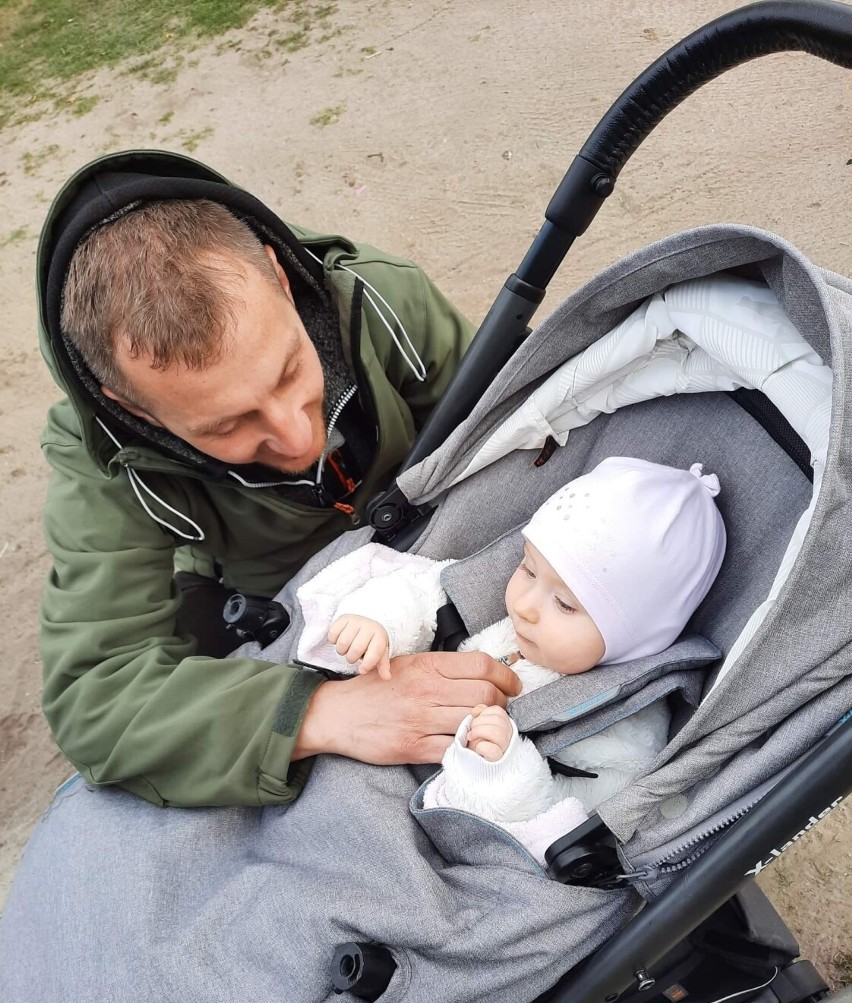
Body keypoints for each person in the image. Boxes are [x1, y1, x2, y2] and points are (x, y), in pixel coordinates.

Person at [38, 150, 521, 808]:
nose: (300, 437)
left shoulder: (380, 301)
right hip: (272, 603)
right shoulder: (100, 456)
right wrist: (321, 713)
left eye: (292, 368)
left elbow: (517, 439)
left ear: (279, 274)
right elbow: (98, 696)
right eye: (225, 424)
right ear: (130, 407)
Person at [295, 457, 727, 864]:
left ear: (634, 637)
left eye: (565, 604)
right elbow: (424, 590)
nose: (524, 605)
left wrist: (503, 769)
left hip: (436, 820)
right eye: (528, 569)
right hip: (365, 742)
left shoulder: (626, 728)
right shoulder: (501, 614)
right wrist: (380, 622)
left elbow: (572, 820)